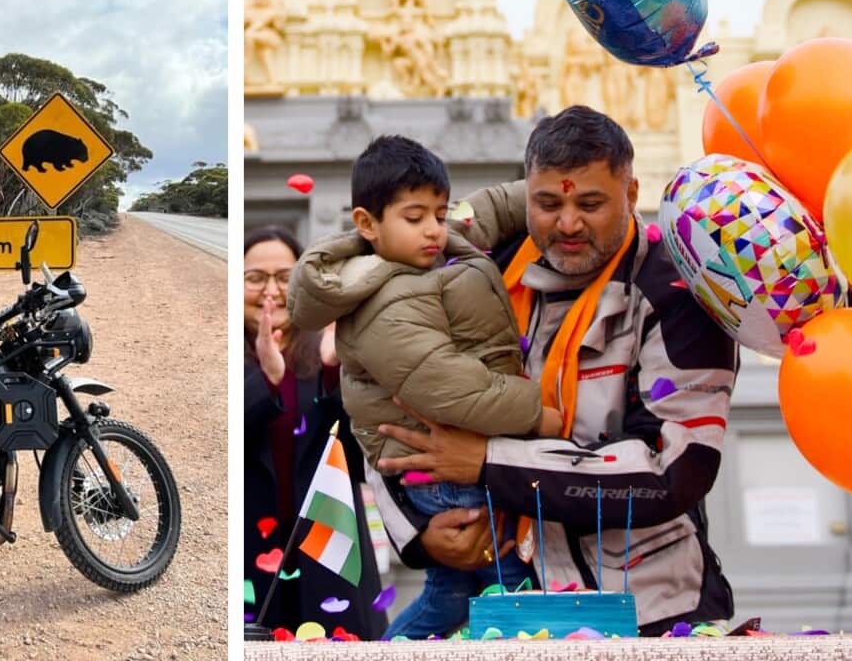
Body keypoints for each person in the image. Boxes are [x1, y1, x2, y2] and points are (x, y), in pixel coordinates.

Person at [370, 106, 737, 636]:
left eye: (590, 203)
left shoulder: (678, 292)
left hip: (650, 610)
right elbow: (380, 398)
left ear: (632, 195)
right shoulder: (479, 270)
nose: (567, 224)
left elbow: (672, 468)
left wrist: (490, 464)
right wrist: (419, 534)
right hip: (489, 598)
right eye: (547, 204)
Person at [287, 136, 563, 639]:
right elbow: (450, 387)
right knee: (518, 590)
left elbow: (494, 208)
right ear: (367, 224)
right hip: (449, 475)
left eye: (438, 212)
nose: (434, 229)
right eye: (416, 218)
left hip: (454, 459)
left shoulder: (431, 248)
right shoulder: (382, 303)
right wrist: (538, 414)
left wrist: (554, 190)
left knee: (448, 597)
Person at [243, 226, 388, 640]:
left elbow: (363, 458)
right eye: (255, 278)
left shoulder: (336, 351)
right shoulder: (224, 354)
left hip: (329, 551)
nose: (270, 290)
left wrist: (333, 373)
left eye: (285, 278)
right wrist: (267, 382)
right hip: (251, 550)